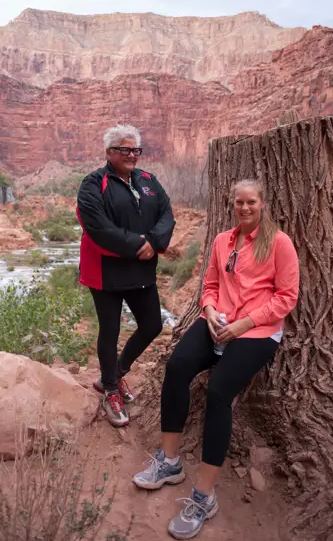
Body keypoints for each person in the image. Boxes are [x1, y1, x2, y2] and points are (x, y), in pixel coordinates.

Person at [133, 179, 299, 539]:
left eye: (251, 202)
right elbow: (208, 286)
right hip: (217, 322)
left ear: (263, 204)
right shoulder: (224, 241)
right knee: (177, 366)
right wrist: (209, 312)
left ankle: (204, 496)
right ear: (232, 204)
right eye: (239, 202)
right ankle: (169, 463)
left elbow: (287, 298)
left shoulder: (280, 243)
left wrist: (242, 324)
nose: (244, 208)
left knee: (220, 392)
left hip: (256, 330)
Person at [77, 124, 175, 428]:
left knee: (153, 325)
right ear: (110, 153)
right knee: (109, 330)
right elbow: (97, 227)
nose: (132, 155)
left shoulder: (148, 180)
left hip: (141, 269)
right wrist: (139, 245)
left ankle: (115, 373)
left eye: (135, 150)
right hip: (105, 272)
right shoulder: (93, 184)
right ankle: (110, 389)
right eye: (125, 149)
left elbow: (166, 214)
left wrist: (155, 242)